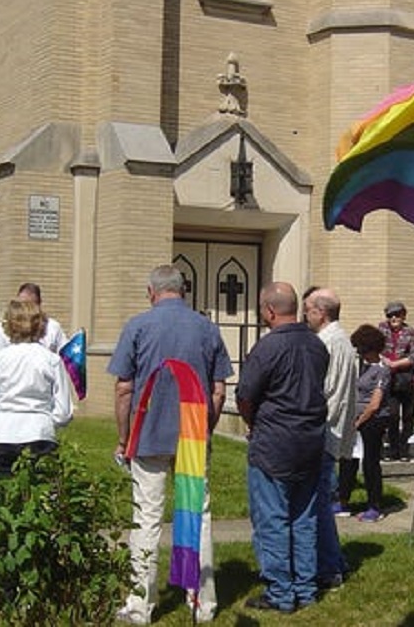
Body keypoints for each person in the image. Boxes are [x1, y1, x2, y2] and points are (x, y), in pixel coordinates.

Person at [109, 265, 232, 625]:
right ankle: (202, 601)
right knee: (197, 513)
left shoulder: (137, 326)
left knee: (146, 517)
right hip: (192, 432)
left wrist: (123, 437)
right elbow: (219, 390)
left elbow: (123, 388)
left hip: (148, 432)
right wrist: (206, 427)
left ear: (152, 291)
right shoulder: (207, 327)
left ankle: (139, 604)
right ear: (183, 290)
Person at [236, 282, 328, 613]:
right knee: (304, 517)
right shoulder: (317, 346)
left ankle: (280, 592)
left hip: (274, 442)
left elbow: (245, 396)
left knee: (273, 518)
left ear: (269, 311)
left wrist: (253, 423)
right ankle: (305, 587)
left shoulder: (267, 348)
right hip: (310, 440)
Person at [0, 298, 74, 474]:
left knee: (2, 495)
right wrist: (48, 422)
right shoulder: (51, 360)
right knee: (41, 493)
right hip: (39, 432)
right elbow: (63, 411)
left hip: (2, 434)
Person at [302, 287, 355, 589]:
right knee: (321, 501)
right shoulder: (340, 340)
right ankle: (335, 560)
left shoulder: (327, 342)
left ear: (321, 312)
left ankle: (329, 567)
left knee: (318, 504)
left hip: (322, 430)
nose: (305, 314)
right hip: (331, 429)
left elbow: (322, 390)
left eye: (308, 309)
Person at [341, 324, 391, 524]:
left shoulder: (382, 370)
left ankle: (374, 505)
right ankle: (343, 498)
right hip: (355, 417)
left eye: (362, 349)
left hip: (373, 420)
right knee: (347, 460)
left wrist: (359, 422)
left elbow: (375, 403)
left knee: (370, 462)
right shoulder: (361, 366)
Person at [378, 300, 414, 461]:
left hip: (410, 380)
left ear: (404, 315)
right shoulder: (382, 329)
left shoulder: (411, 332)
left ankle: (404, 450)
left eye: (397, 314)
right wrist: (385, 361)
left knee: (408, 416)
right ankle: (393, 449)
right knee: (392, 415)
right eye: (390, 315)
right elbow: (376, 348)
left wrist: (394, 363)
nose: (394, 318)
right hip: (391, 379)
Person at [0, 282, 67, 353]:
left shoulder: (52, 327)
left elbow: (65, 355)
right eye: (22, 305)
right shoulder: (4, 327)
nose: (25, 310)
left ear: (39, 305)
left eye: (31, 306)